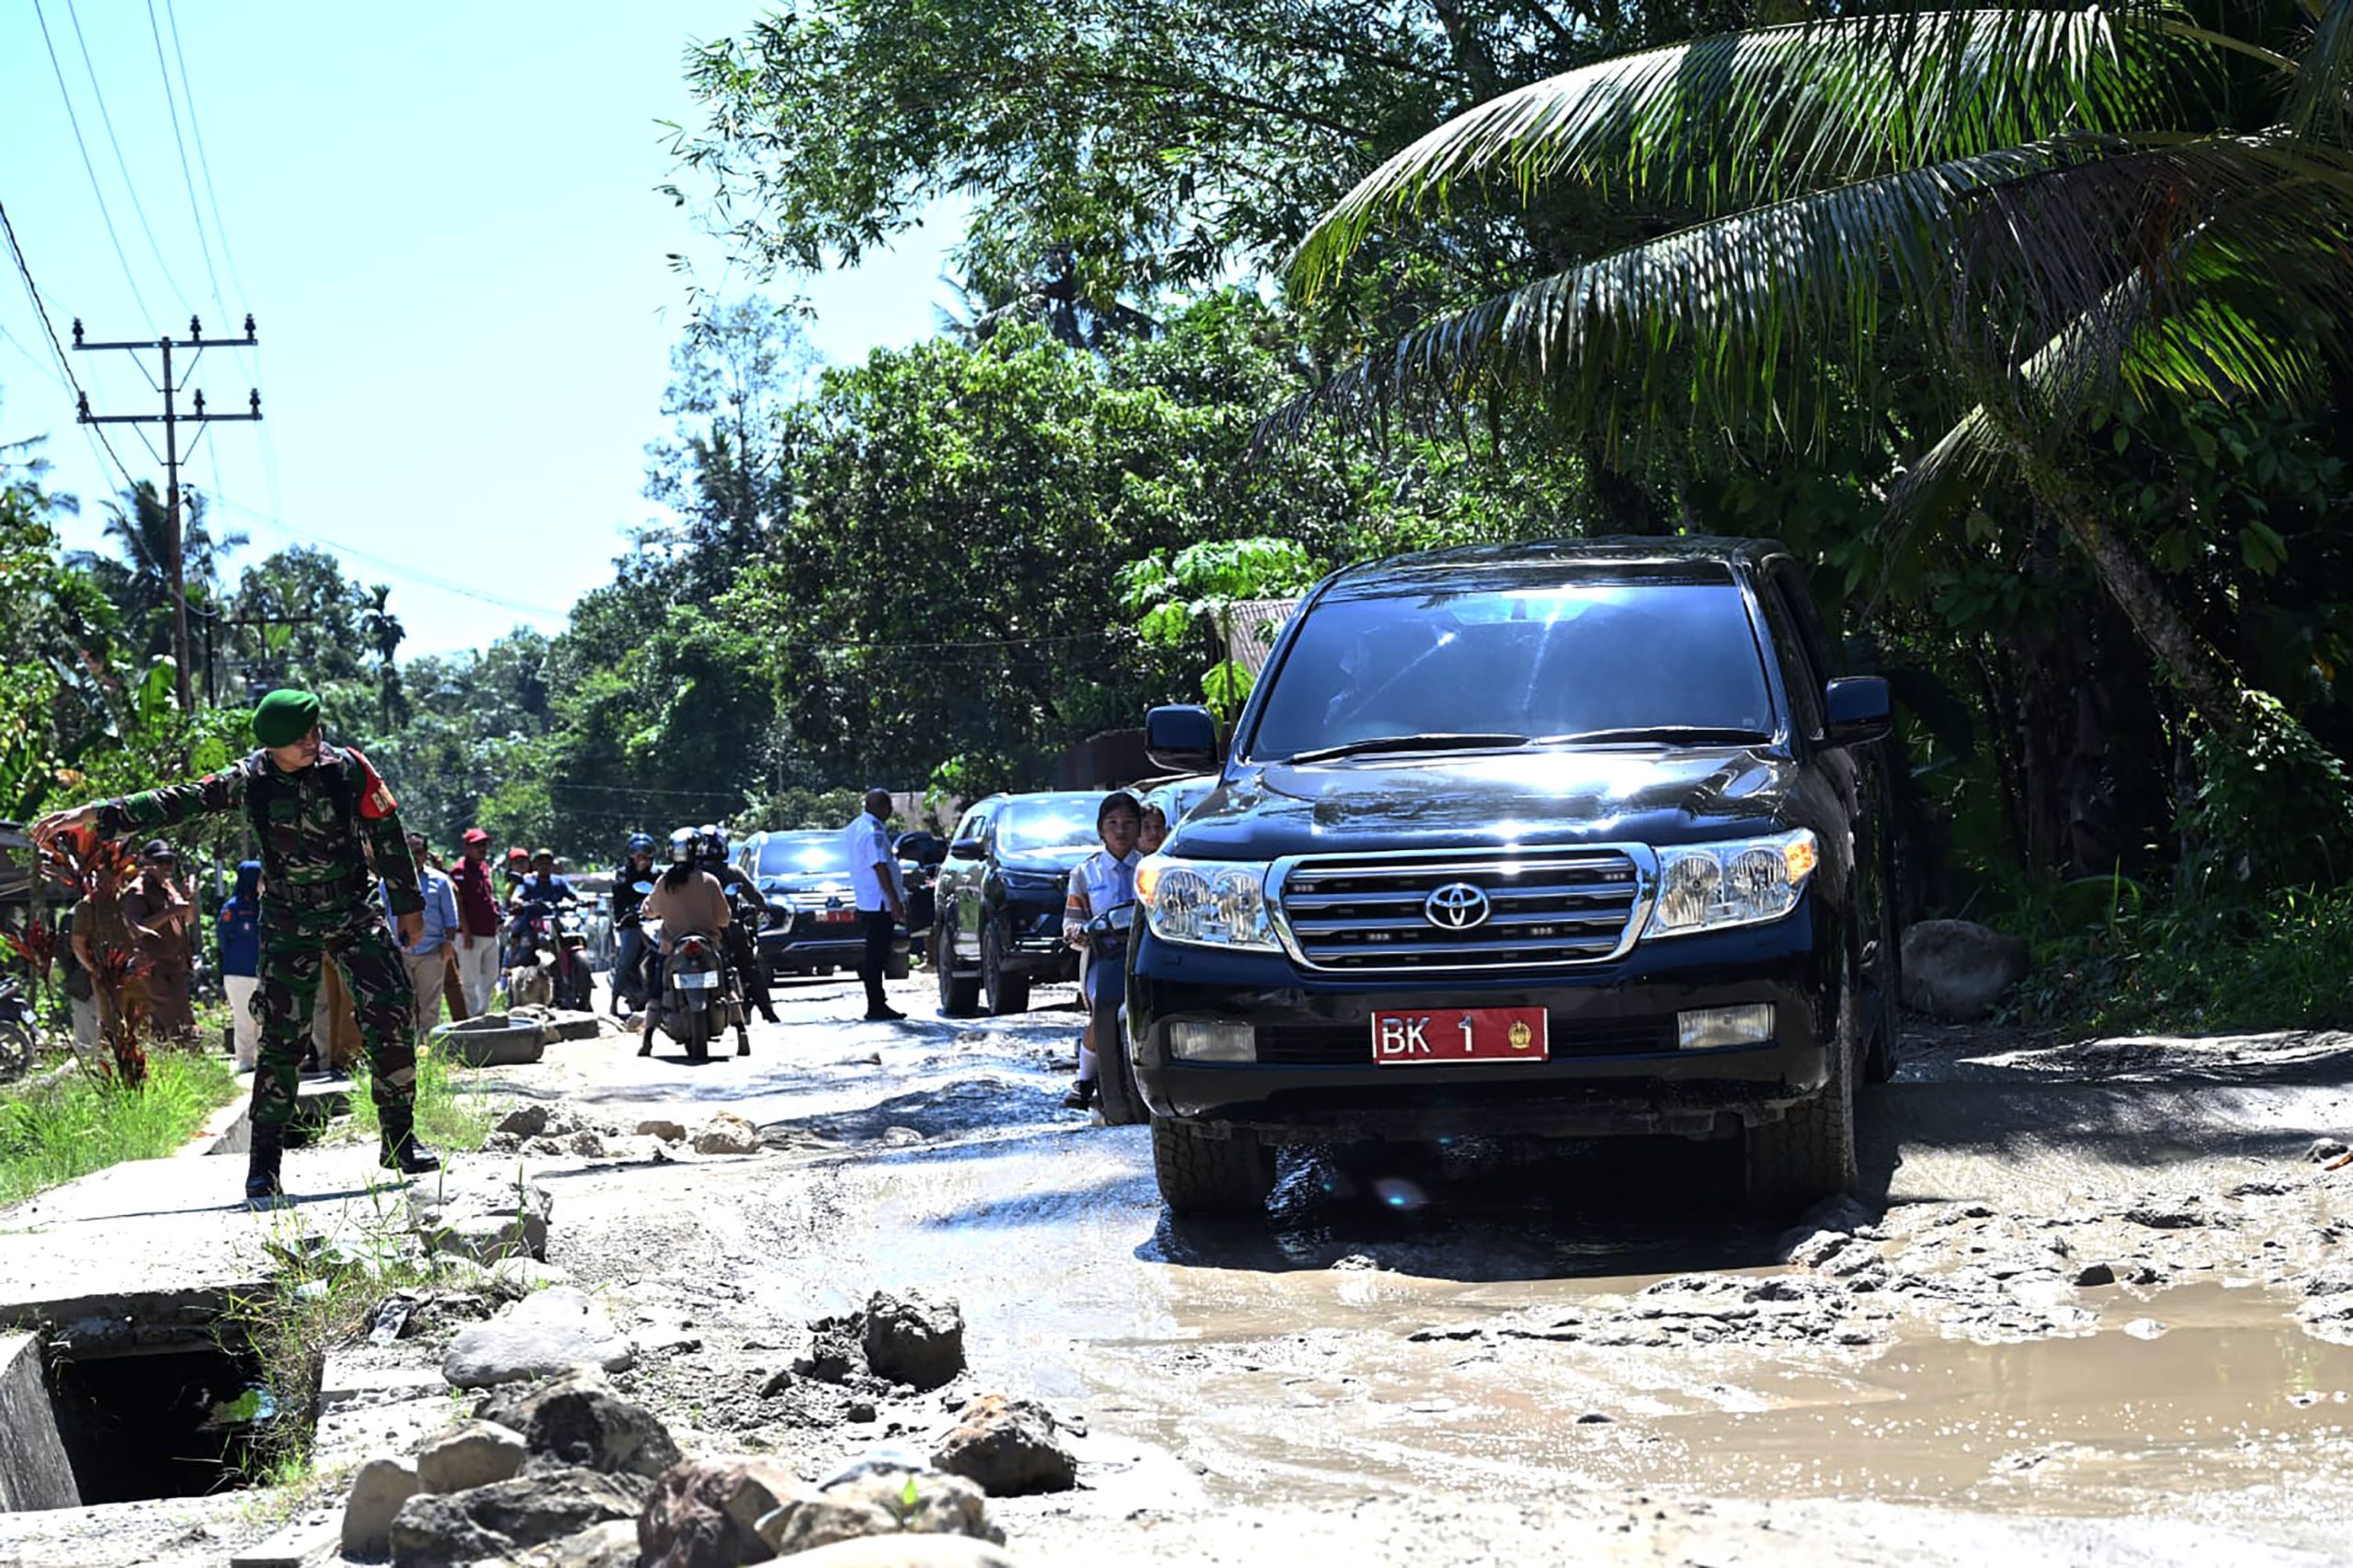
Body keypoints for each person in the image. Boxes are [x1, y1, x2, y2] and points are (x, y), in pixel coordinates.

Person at [28, 687, 438, 1205]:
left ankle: (400, 1140)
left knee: (391, 1012)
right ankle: (264, 1166)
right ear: (273, 747)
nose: (313, 742)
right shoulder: (251, 778)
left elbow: (387, 832)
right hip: (288, 920)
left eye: (315, 731)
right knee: (282, 1038)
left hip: (352, 910)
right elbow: (174, 801)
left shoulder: (349, 768)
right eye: (300, 739)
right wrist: (96, 814)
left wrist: (409, 906)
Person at [1061, 792, 1143, 1110]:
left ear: (1138, 828)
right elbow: (1073, 919)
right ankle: (1084, 1080)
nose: (1120, 830)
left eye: (1128, 823)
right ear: (1100, 829)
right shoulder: (1085, 873)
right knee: (1102, 1009)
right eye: (1112, 823)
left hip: (1143, 954)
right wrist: (1074, 932)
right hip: (1103, 957)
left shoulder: (1152, 867)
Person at [637, 829, 733, 1056]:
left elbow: (650, 911)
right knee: (728, 985)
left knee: (656, 991)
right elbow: (724, 918)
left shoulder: (664, 882)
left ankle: (647, 1041)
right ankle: (741, 1033)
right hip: (709, 945)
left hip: (672, 948)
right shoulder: (709, 881)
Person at [693, 825, 781, 1025]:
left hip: (695, 927)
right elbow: (756, 897)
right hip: (727, 926)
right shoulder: (731, 872)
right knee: (749, 966)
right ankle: (767, 1012)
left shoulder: (690, 874)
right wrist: (763, 908)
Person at [385, 831, 459, 1043]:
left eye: (418, 852)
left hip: (432, 951)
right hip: (400, 952)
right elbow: (383, 914)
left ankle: (427, 1047)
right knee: (403, 1002)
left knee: (430, 1003)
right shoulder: (389, 882)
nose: (413, 856)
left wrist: (448, 943)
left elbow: (451, 918)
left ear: (426, 854)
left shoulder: (441, 881)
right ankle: (406, 1046)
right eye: (408, 851)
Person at [120, 840, 197, 1040]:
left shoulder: (169, 886)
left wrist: (189, 900)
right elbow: (135, 930)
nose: (166, 867)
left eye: (170, 861)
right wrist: (169, 911)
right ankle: (186, 1060)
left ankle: (178, 1060)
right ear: (146, 862)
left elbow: (187, 919)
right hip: (154, 968)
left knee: (183, 1019)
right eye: (161, 861)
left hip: (176, 964)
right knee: (172, 1022)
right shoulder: (136, 891)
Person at [843, 790, 907, 1022]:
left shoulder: (856, 827)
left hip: (866, 900)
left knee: (874, 954)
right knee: (876, 956)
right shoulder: (873, 832)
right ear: (881, 807)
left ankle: (877, 1002)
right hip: (879, 902)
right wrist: (894, 901)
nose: (889, 813)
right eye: (888, 807)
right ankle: (876, 1005)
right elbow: (880, 866)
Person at [449, 829, 503, 1016]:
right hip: (470, 934)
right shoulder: (459, 871)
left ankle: (482, 1013)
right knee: (470, 980)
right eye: (477, 845)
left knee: (491, 976)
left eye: (484, 845)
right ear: (466, 847)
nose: (482, 849)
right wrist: (466, 933)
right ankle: (471, 1018)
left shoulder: (484, 867)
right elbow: (459, 904)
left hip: (489, 931)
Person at [218, 860, 264, 1070]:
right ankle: (245, 1061)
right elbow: (222, 937)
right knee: (245, 1019)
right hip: (239, 973)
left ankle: (264, 1061)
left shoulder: (266, 905)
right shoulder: (233, 907)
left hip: (263, 971)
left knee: (266, 1019)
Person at [609, 832, 659, 1012]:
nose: (642, 860)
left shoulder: (657, 875)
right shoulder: (623, 875)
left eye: (646, 856)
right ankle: (614, 1001)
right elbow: (619, 898)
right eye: (639, 856)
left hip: (655, 923)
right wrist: (627, 914)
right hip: (633, 923)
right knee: (627, 958)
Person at [55, 903, 100, 1062]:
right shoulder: (73, 917)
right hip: (85, 986)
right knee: (86, 1044)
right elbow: (69, 952)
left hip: (99, 983)